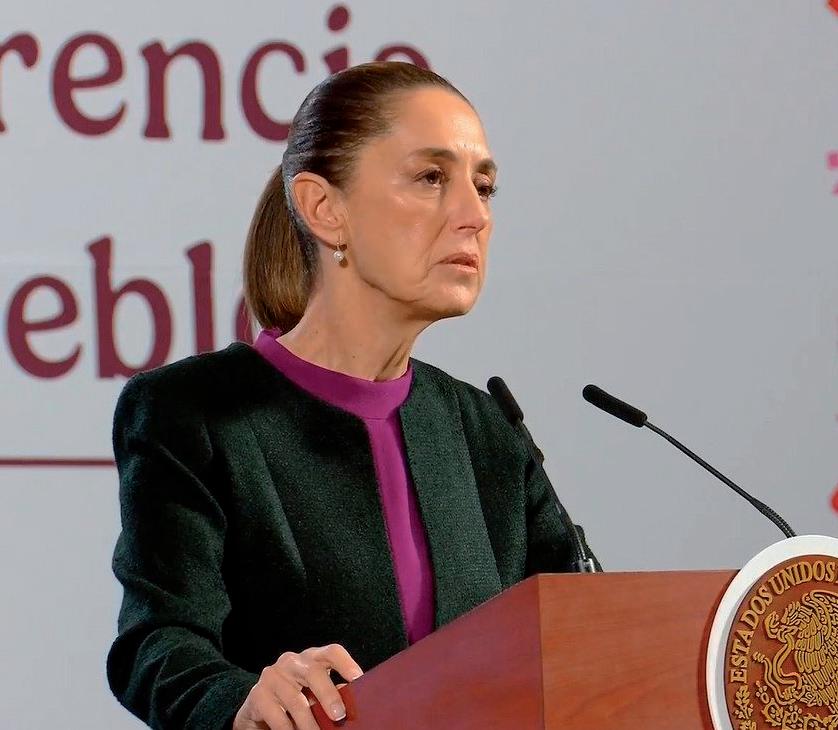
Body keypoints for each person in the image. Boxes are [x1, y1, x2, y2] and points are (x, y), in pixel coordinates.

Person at [106, 61, 598, 730]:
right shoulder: (193, 413)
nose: (474, 216)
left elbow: (583, 641)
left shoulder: (485, 431)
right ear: (324, 209)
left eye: (484, 187)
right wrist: (242, 698)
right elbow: (158, 643)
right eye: (431, 178)